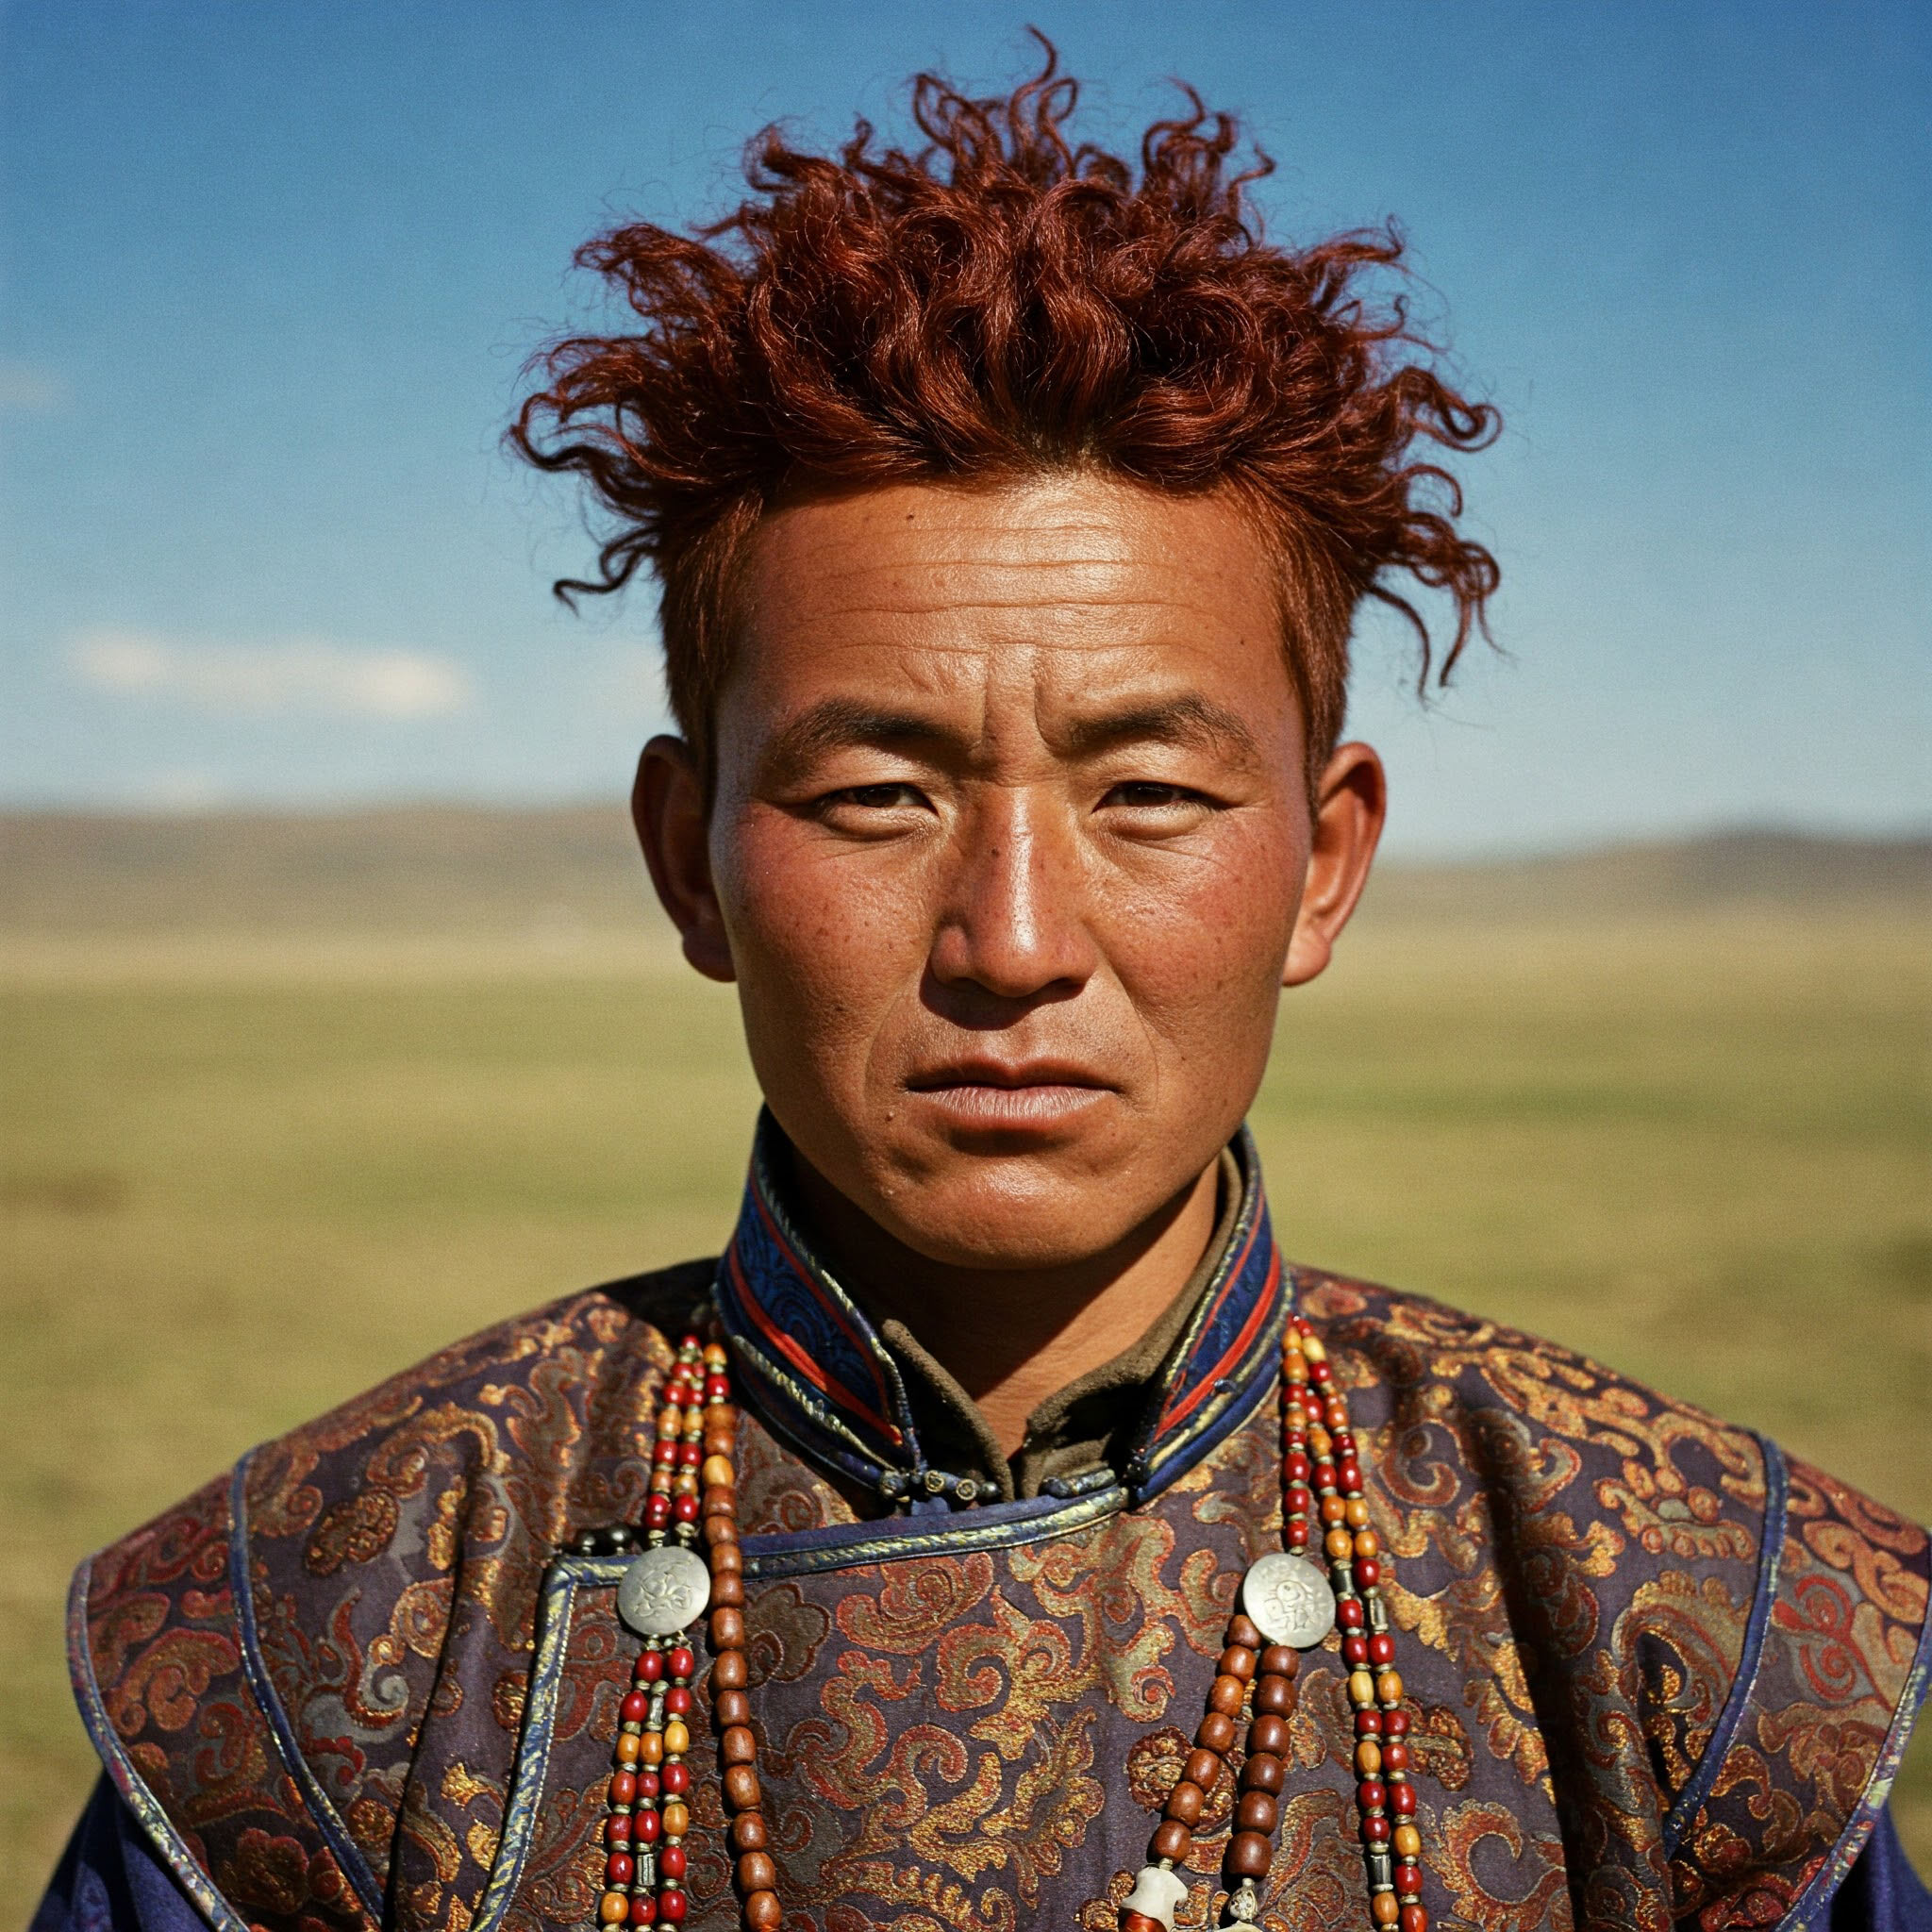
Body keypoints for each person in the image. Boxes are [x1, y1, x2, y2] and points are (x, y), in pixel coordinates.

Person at [36, 45, 1928, 1932]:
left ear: (1324, 862)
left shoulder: (1660, 1618)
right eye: (875, 795)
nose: (1013, 940)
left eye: (1151, 795)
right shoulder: (332, 1615)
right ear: (685, 853)